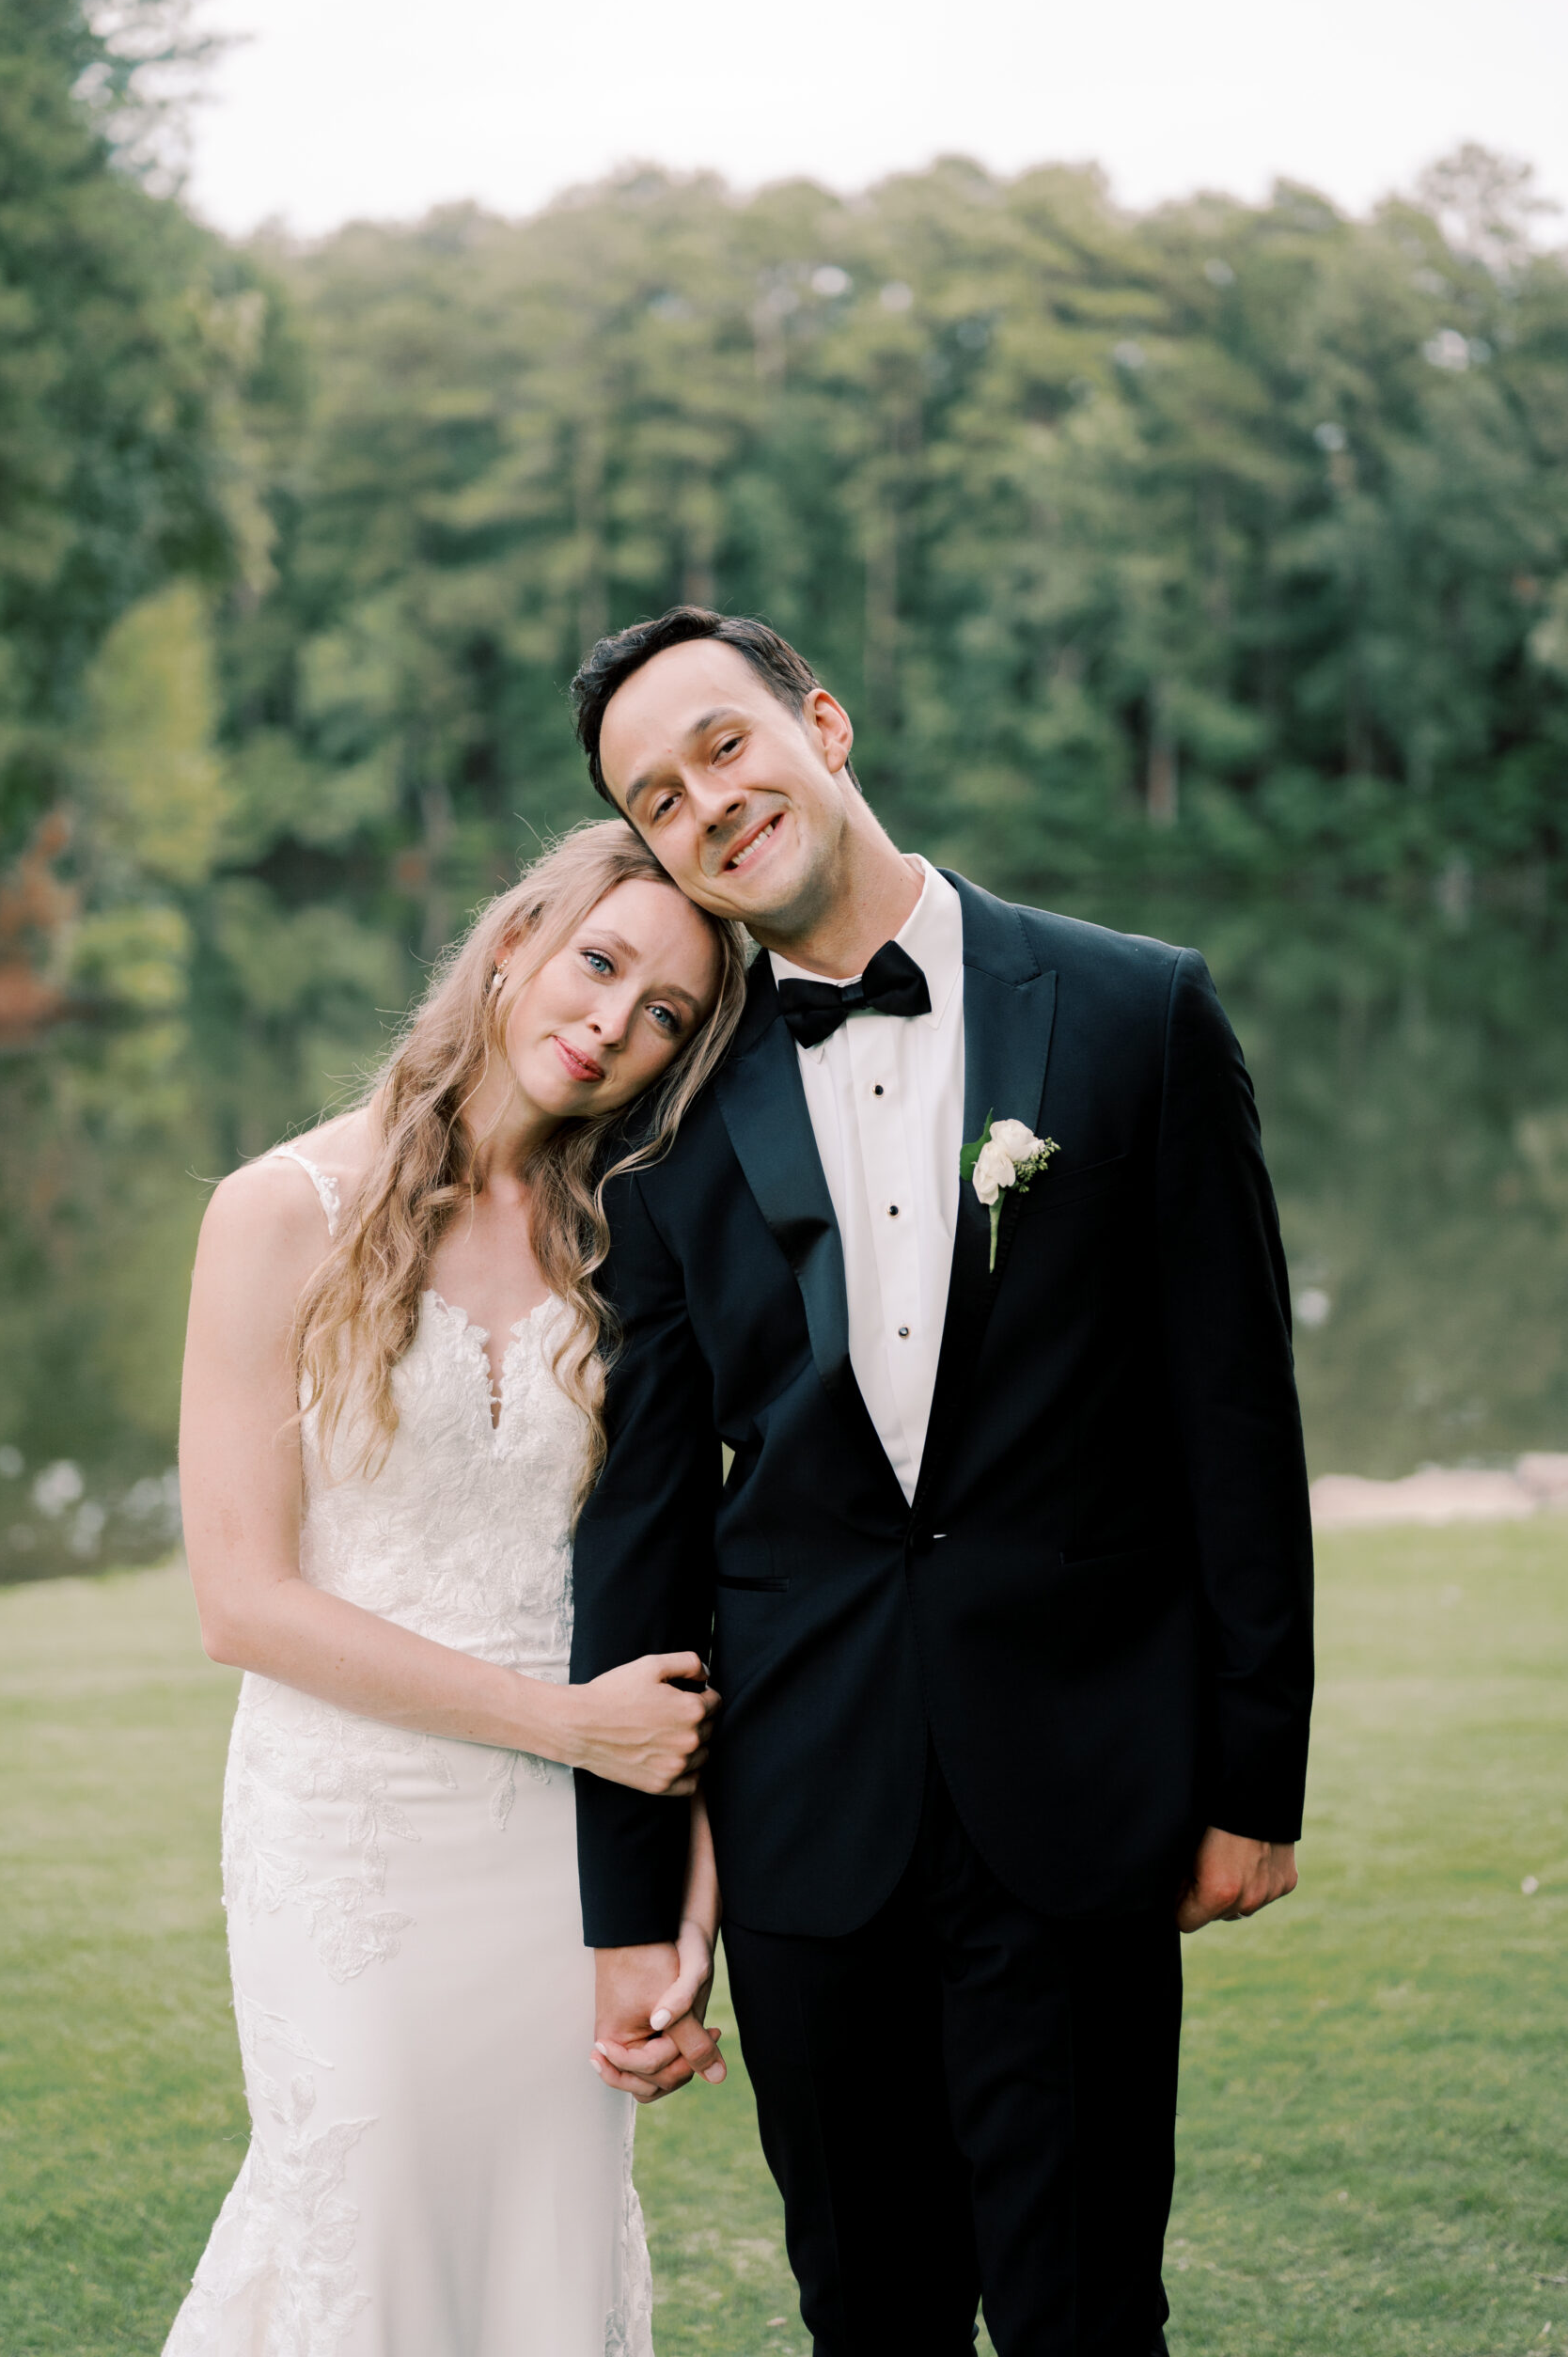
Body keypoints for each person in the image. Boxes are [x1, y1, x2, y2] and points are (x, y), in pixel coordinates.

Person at [568, 610, 1315, 2357]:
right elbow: (645, 1517)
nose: (710, 805)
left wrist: (1252, 1776)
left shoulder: (1139, 1013)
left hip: (1083, 1791)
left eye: (726, 746)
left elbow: (1238, 1419)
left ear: (820, 724)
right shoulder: (666, 1126)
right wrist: (625, 1900)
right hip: (809, 1817)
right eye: (659, 800)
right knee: (868, 2312)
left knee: (1083, 2311)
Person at [165, 821, 748, 2357]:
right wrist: (565, 1724)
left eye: (669, 1015)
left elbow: (668, 1590)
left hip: (570, 1851)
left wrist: (685, 1902)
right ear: (514, 944)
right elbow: (241, 1601)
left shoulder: (630, 1243)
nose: (615, 1022)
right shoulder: (280, 1211)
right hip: (348, 1833)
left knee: (545, 2251)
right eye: (602, 964)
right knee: (361, 2226)